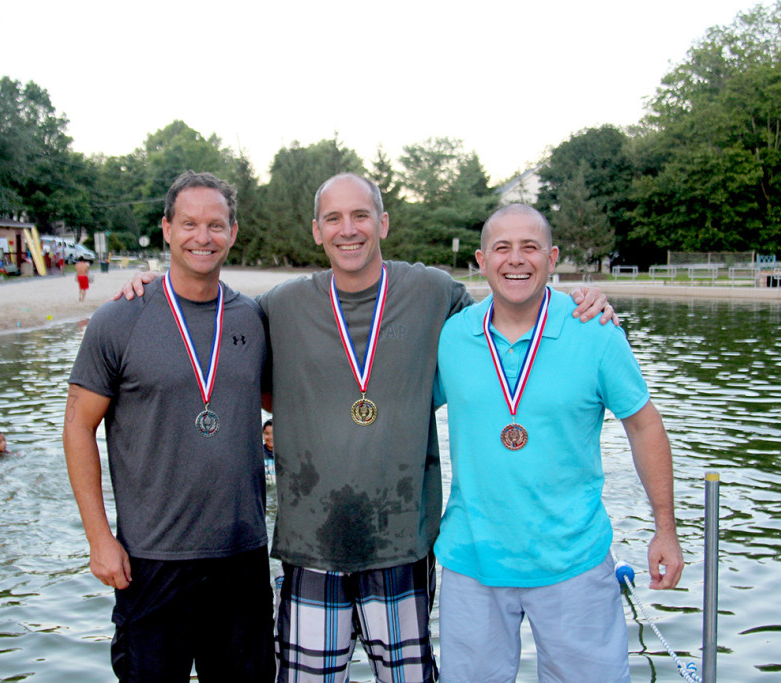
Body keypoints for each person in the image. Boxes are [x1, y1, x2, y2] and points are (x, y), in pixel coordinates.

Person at [121, 173, 616, 683]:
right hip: (311, 548)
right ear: (316, 231)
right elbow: (223, 355)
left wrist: (580, 302)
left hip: (400, 544)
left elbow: (510, 316)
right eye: (333, 218)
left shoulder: (432, 292)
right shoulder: (279, 306)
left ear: (382, 223)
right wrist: (152, 291)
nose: (348, 229)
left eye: (360, 215)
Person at [433, 204, 684, 682]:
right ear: (481, 262)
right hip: (473, 560)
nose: (516, 260)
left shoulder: (596, 329)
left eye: (530, 247)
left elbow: (645, 426)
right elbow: (404, 410)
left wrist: (664, 528)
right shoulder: (453, 336)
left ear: (553, 258)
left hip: (574, 561)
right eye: (502, 248)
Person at [63, 171, 274, 681]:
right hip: (153, 562)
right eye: (189, 223)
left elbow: (287, 405)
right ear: (166, 228)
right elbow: (76, 428)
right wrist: (98, 538)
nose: (203, 237)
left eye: (216, 225)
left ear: (234, 232)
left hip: (241, 558)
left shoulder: (253, 318)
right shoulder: (119, 319)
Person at [261, 419, 275, 486]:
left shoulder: (286, 453)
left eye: (273, 433)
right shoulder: (258, 454)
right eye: (267, 433)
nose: (270, 437)